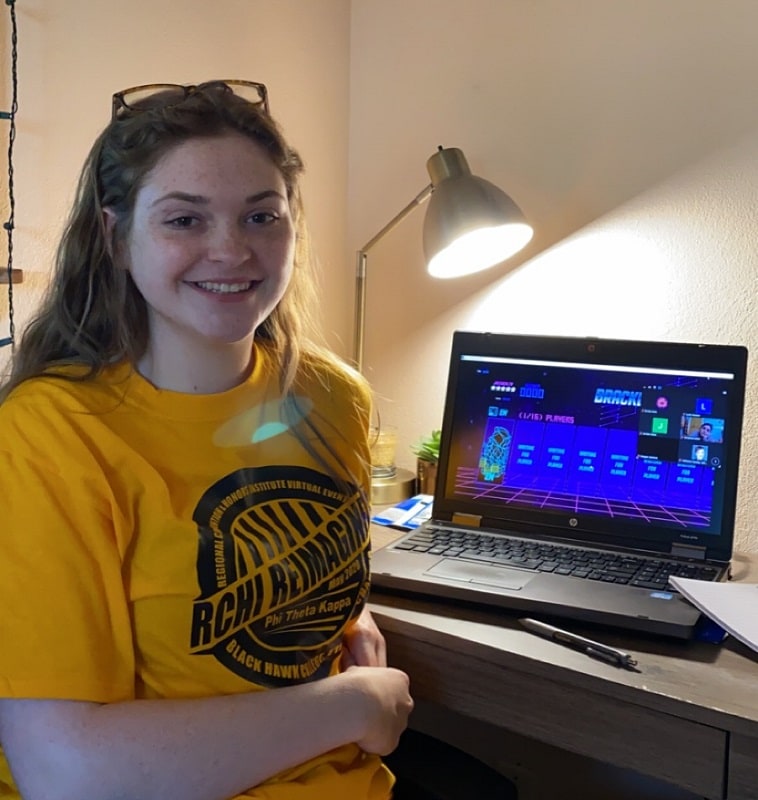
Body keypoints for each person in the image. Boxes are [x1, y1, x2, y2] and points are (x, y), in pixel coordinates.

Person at [0, 80, 413, 800]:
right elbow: (68, 775)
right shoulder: (49, 437)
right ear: (115, 237)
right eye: (185, 220)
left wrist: (355, 621)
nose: (231, 250)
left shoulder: (333, 397)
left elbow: (297, 566)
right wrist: (357, 704)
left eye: (261, 216)